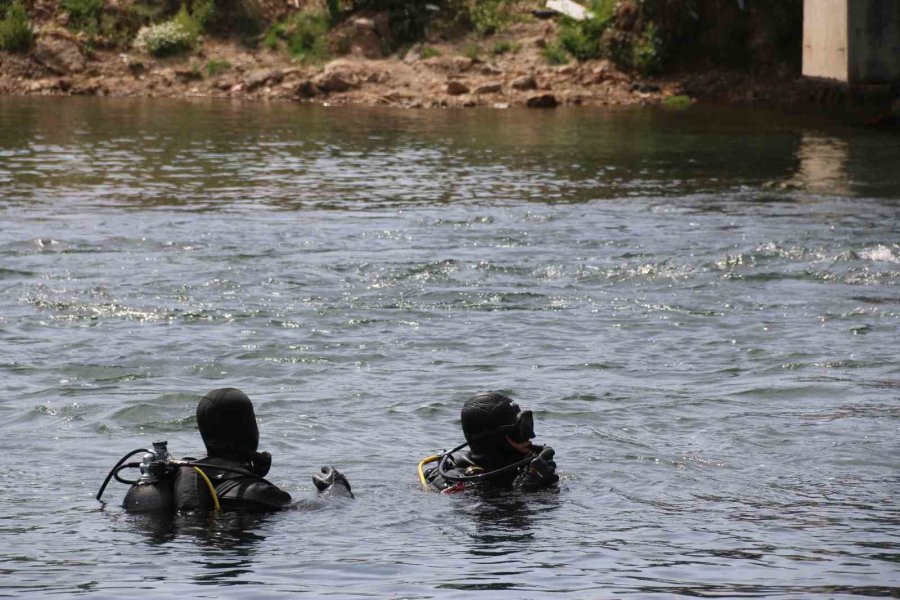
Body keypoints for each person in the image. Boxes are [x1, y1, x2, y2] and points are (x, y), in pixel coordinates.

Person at [172, 387, 352, 513]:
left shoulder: (183, 474)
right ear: (248, 429)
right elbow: (325, 509)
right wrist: (337, 487)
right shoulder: (258, 492)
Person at [420, 391, 559, 493]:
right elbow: (484, 516)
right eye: (518, 432)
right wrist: (526, 489)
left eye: (528, 426)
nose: (529, 437)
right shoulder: (462, 481)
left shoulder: (526, 467)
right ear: (495, 439)